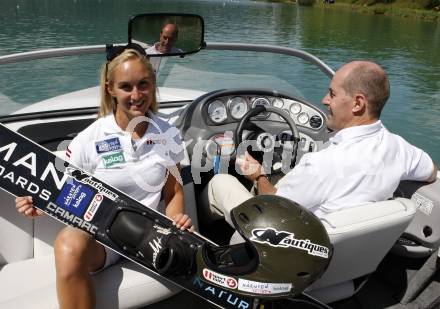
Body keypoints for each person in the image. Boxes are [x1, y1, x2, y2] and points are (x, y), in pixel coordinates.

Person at [15, 44, 193, 309]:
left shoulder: (168, 133)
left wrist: (176, 221)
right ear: (110, 89)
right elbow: (61, 187)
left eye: (143, 84)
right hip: (104, 242)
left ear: (153, 83)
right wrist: (38, 203)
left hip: (150, 237)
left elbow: (173, 192)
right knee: (67, 244)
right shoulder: (90, 138)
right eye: (126, 87)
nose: (136, 95)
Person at [206, 60, 437, 225]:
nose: (324, 100)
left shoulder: (322, 163)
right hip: (348, 258)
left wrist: (258, 176)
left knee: (220, 180)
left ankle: (206, 238)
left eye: (332, 94)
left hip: (285, 245)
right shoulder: (399, 148)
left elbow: (273, 206)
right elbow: (430, 172)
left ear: (358, 103)